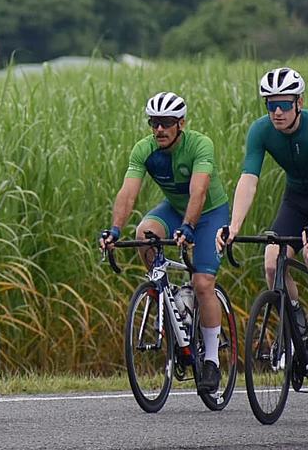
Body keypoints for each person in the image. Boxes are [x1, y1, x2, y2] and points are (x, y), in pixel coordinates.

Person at [216, 67, 308, 373]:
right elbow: (249, 179)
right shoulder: (261, 130)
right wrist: (234, 225)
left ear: (299, 103)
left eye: (284, 104)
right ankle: (296, 324)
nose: (277, 112)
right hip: (295, 198)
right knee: (270, 262)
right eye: (270, 105)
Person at [99, 91, 231, 393]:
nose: (159, 129)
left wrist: (188, 226)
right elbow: (128, 193)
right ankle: (166, 298)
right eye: (154, 123)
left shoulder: (200, 145)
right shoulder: (144, 150)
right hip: (172, 208)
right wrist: (114, 230)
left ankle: (211, 359)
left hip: (209, 212)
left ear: (180, 123)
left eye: (167, 123)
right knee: (143, 234)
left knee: (202, 283)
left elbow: (198, 193)